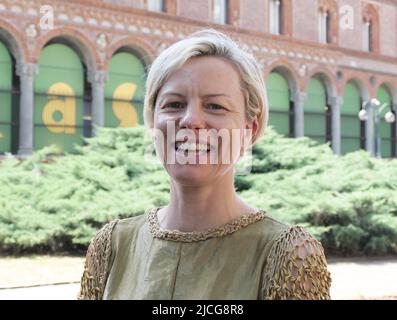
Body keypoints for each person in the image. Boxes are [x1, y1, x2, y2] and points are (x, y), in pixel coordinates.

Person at [78, 29, 332, 300]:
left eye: (215, 106)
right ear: (153, 122)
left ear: (249, 128)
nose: (190, 120)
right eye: (174, 104)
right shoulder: (112, 246)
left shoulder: (288, 255)